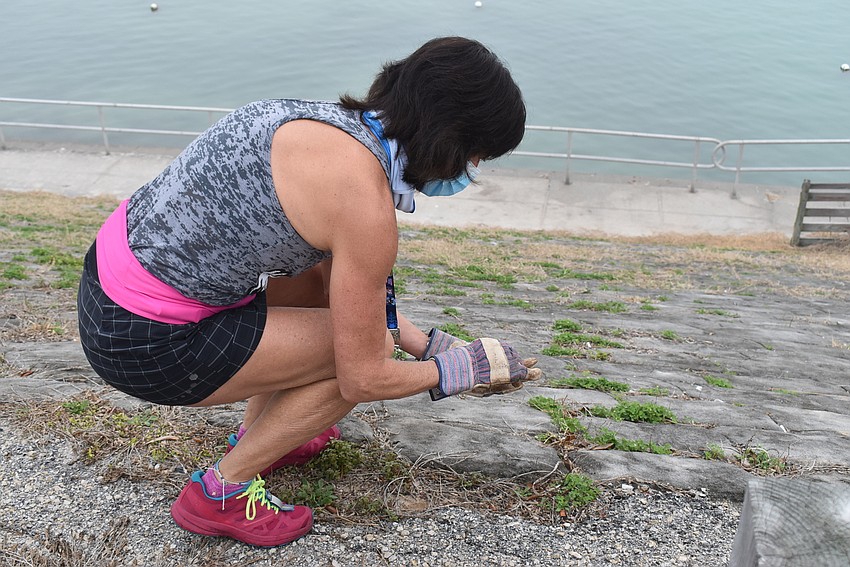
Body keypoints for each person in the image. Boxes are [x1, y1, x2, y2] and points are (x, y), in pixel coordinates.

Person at [77, 36, 540, 547]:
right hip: (144, 344)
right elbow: (363, 376)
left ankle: (268, 438)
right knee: (362, 357)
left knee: (318, 291)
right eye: (476, 157)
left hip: (109, 290)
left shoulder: (308, 122)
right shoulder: (364, 205)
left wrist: (430, 344)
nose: (470, 173)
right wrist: (462, 369)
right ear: (448, 141)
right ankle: (220, 493)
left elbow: (343, 297)